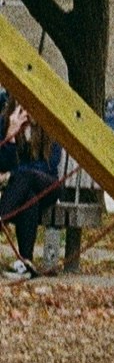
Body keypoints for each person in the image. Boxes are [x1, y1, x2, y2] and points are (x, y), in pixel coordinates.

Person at [0, 104, 60, 278]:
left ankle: (2, 215)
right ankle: (26, 262)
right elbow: (2, 163)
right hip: (21, 192)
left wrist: (12, 174)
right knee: (29, 199)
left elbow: (48, 165)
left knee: (26, 176)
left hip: (48, 185)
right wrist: (10, 136)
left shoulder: (50, 124)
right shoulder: (6, 122)